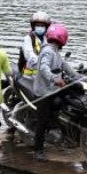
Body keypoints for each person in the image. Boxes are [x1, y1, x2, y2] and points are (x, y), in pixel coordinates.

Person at [32, 23, 82, 162]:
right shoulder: (48, 51)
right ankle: (38, 150)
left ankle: (64, 135)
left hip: (53, 90)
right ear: (62, 39)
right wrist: (55, 80)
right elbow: (43, 68)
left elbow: (67, 68)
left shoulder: (55, 52)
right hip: (44, 93)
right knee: (42, 121)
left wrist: (81, 77)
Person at [19, 11, 50, 76]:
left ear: (46, 27)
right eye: (38, 25)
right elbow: (30, 56)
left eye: (42, 26)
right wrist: (44, 64)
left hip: (45, 75)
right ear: (33, 26)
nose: (40, 27)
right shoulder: (28, 39)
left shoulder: (48, 39)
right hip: (30, 77)